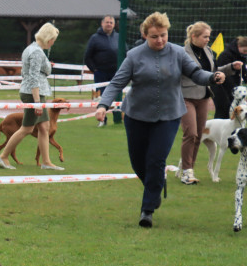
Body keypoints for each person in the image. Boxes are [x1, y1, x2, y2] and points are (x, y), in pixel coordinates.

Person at [94, 12, 226, 228]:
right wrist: (103, 105)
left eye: (163, 35)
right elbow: (117, 83)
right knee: (138, 162)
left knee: (156, 160)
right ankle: (156, 182)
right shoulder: (134, 55)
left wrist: (212, 77)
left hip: (168, 116)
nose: (160, 40)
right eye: (154, 36)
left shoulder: (177, 52)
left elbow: (196, 73)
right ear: (145, 35)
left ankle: (147, 210)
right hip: (136, 116)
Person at [178, 22, 243, 185]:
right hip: (185, 96)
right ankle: (186, 171)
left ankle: (189, 170)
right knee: (191, 133)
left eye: (209, 36)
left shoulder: (208, 51)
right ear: (194, 36)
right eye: (205, 37)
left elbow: (214, 70)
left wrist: (230, 68)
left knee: (199, 135)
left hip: (204, 96)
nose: (208, 40)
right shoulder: (181, 53)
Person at [0, 23, 64, 171]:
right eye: (53, 39)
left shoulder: (32, 49)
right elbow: (33, 77)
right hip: (33, 94)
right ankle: (4, 156)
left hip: (35, 92)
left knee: (44, 127)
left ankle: (46, 162)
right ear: (48, 38)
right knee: (26, 129)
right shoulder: (37, 52)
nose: (53, 43)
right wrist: (37, 102)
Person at [84, 15, 120, 127]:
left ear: (114, 25)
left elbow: (126, 53)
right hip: (101, 73)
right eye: (107, 22)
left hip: (116, 73)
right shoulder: (94, 38)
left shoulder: (119, 37)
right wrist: (94, 70)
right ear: (102, 23)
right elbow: (87, 57)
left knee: (117, 96)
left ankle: (117, 119)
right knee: (102, 97)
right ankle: (102, 120)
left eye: (111, 22)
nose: (109, 24)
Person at [214, 35, 247, 119]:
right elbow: (222, 72)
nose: (245, 53)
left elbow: (243, 71)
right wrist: (234, 88)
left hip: (234, 89)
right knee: (223, 110)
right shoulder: (225, 55)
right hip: (221, 87)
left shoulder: (241, 56)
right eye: (244, 50)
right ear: (239, 46)